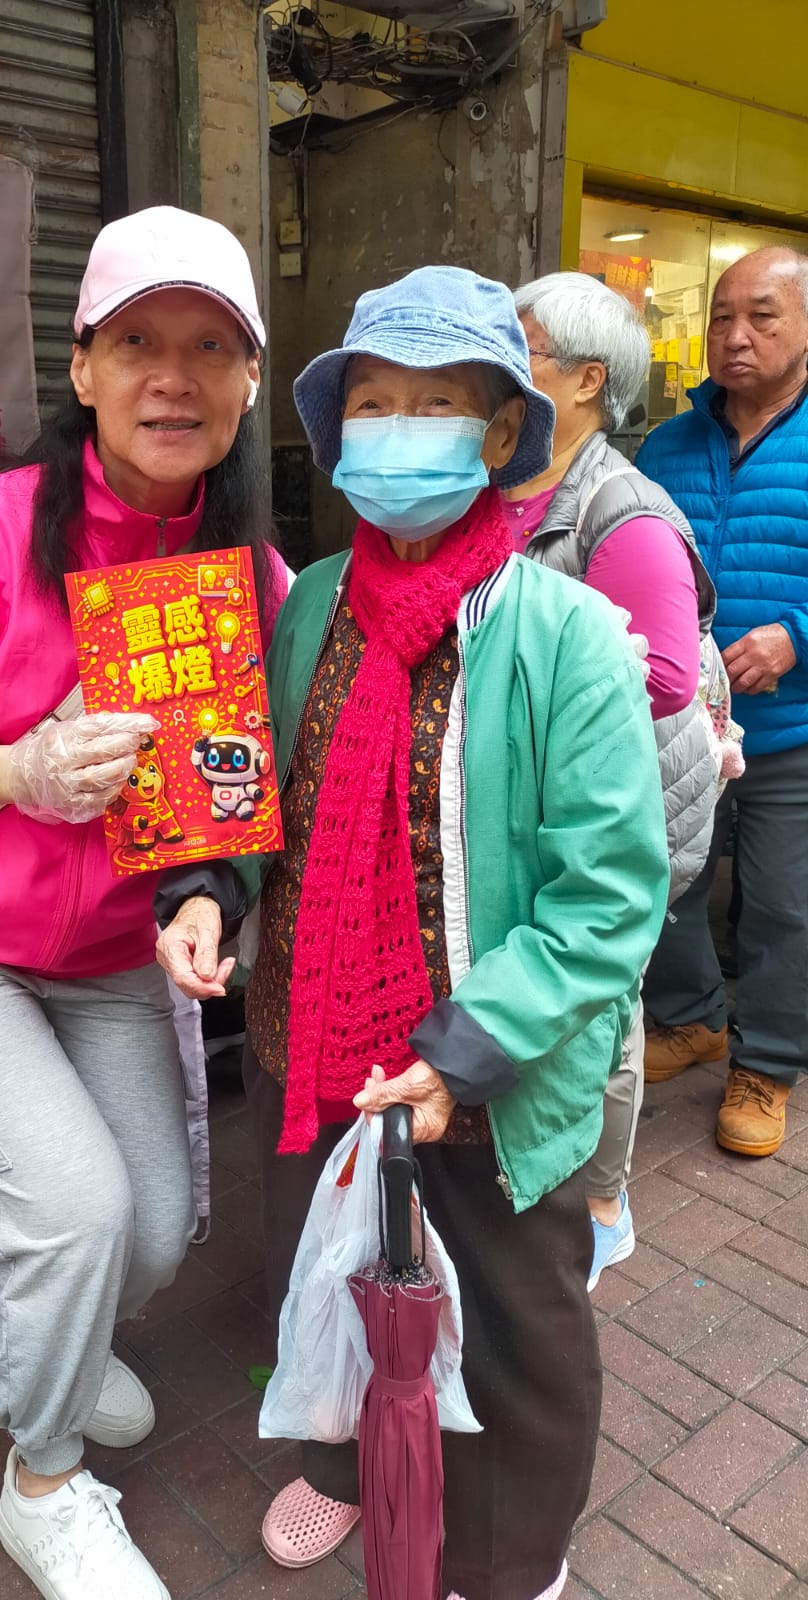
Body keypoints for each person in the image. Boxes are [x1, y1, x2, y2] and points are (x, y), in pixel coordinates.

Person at [156, 266, 669, 1600]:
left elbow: (610, 893)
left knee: (509, 1325)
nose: (396, 432)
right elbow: (258, 792)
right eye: (372, 403)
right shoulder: (311, 603)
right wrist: (208, 892)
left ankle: (508, 1557)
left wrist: (465, 1049)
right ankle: (343, 1466)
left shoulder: (567, 633)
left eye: (434, 405)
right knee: (327, 1277)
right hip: (313, 1038)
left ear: (499, 433)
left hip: (490, 1063)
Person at [0, 206, 286, 1600]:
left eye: (211, 349)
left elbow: (226, 792)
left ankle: (51, 1352)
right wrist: (14, 770)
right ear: (82, 369)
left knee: (153, 1228)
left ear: (249, 383)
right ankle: (45, 1479)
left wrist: (207, 902)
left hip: (105, 951)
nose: (173, 379)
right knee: (77, 1214)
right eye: (137, 343)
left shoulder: (251, 574)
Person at [506, 270, 718, 1288]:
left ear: (586, 380)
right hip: (533, 795)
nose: (499, 370)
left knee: (601, 1002)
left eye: (523, 350)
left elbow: (664, 675)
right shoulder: (506, 485)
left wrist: (520, 686)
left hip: (613, 806)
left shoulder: (623, 510)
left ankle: (603, 1201)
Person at [638, 246, 808, 1158]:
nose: (736, 336)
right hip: (680, 727)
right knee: (667, 883)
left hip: (790, 730)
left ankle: (767, 1063)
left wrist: (799, 637)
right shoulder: (668, 444)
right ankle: (692, 1019)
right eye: (721, 318)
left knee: (782, 906)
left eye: (763, 316)